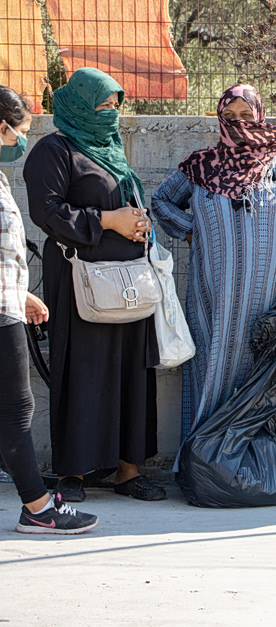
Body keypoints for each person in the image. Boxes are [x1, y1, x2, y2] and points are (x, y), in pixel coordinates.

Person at [151, 85, 276, 447]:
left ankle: (267, 464)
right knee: (211, 373)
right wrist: (189, 232)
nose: (240, 124)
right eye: (230, 117)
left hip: (269, 305)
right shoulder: (202, 165)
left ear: (260, 116)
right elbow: (162, 201)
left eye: (247, 116)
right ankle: (206, 463)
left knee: (266, 377)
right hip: (215, 301)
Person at [24, 68, 165, 503]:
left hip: (128, 282)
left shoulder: (110, 149)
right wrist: (107, 221)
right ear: (80, 105)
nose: (111, 113)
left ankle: (128, 470)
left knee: (132, 370)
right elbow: (46, 211)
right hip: (80, 276)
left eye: (114, 105)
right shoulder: (54, 150)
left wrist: (139, 224)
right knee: (80, 367)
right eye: (102, 105)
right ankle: (74, 473)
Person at [0, 85, 97, 533]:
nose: (21, 141)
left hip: (7, 302)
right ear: (3, 128)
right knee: (16, 409)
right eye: (19, 132)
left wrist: (20, 292)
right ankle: (39, 508)